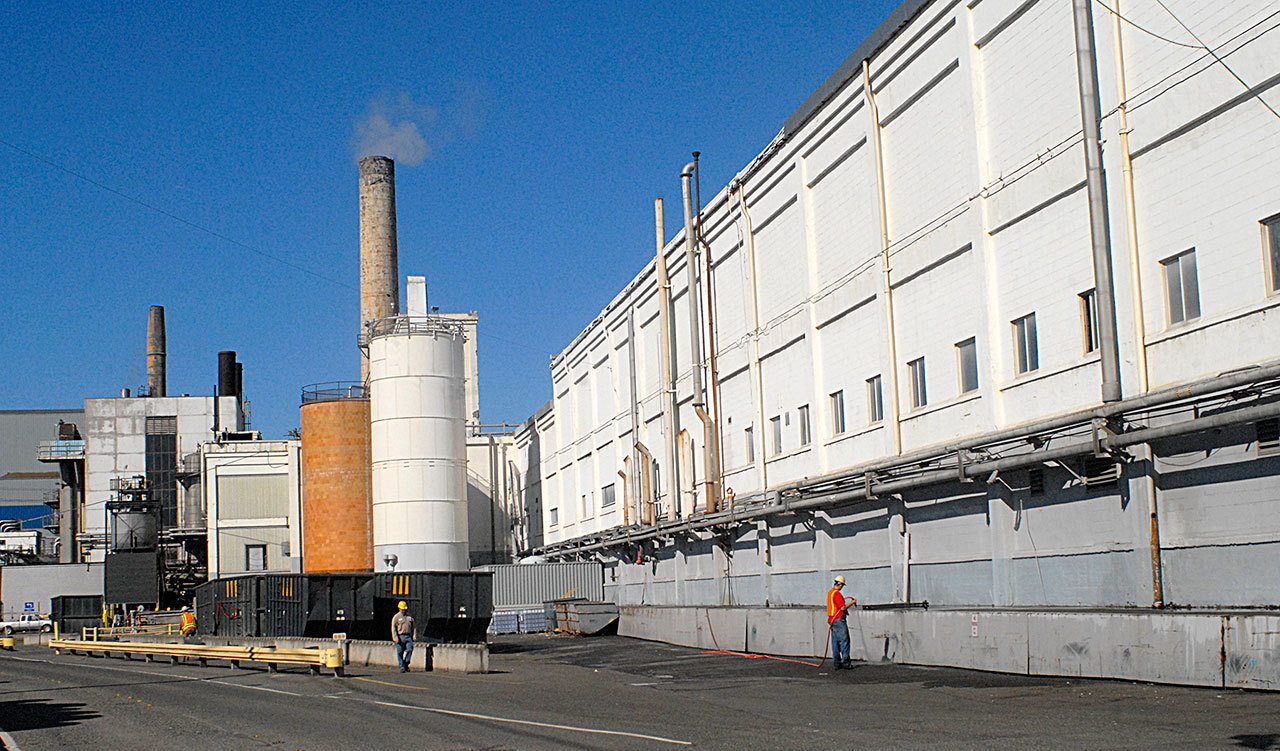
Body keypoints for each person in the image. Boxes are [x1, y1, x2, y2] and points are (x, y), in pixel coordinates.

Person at [826, 575, 857, 670]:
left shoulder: (830, 592)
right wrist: (852, 602)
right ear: (839, 584)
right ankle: (846, 662)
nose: (842, 587)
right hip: (839, 619)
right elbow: (842, 607)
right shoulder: (837, 594)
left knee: (835, 642)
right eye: (842, 585)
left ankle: (837, 662)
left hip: (832, 620)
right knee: (844, 641)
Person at [391, 601, 416, 672]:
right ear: (399, 608)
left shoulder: (409, 617)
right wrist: (395, 637)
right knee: (400, 652)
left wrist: (414, 635)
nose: (403, 610)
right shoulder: (396, 617)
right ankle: (402, 666)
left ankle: (406, 663)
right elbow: (393, 628)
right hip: (400, 636)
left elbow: (414, 627)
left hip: (408, 636)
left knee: (410, 649)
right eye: (402, 609)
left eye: (404, 609)